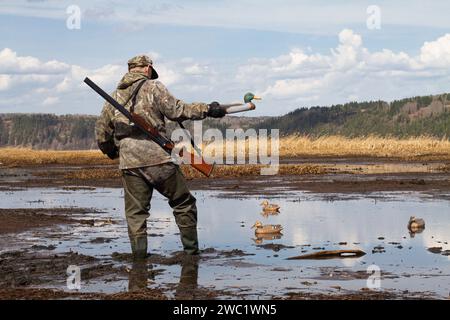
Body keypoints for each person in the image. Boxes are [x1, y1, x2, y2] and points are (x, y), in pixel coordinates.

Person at [95, 54, 225, 260]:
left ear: (130, 70)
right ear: (147, 68)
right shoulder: (154, 87)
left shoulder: (113, 97)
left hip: (129, 163)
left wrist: (112, 151)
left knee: (136, 215)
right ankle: (192, 253)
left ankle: (139, 258)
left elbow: (102, 134)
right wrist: (208, 109)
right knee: (183, 203)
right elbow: (178, 110)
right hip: (159, 159)